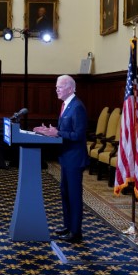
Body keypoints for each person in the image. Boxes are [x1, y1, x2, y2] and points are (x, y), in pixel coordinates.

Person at [34, 75, 89, 244]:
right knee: (65, 194)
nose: (56, 89)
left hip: (74, 158)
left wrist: (57, 133)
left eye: (60, 87)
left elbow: (79, 135)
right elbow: (66, 130)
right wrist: (51, 131)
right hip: (65, 157)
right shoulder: (66, 105)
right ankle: (68, 226)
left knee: (74, 196)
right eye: (56, 87)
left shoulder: (77, 107)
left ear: (70, 88)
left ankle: (76, 232)